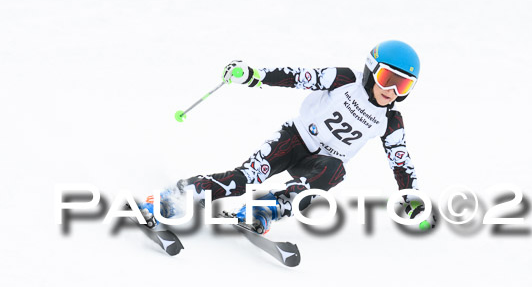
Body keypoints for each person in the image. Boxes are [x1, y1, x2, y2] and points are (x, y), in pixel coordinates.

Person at [139, 40, 431, 234]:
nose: (391, 91)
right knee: (244, 179)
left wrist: (410, 195)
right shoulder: (345, 80)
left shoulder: (391, 121)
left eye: (402, 86)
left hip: (321, 163)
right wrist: (254, 75)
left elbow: (400, 161)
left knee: (335, 171)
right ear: (371, 70)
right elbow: (298, 77)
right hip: (294, 140)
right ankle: (173, 197)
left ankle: (264, 208)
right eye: (387, 80)